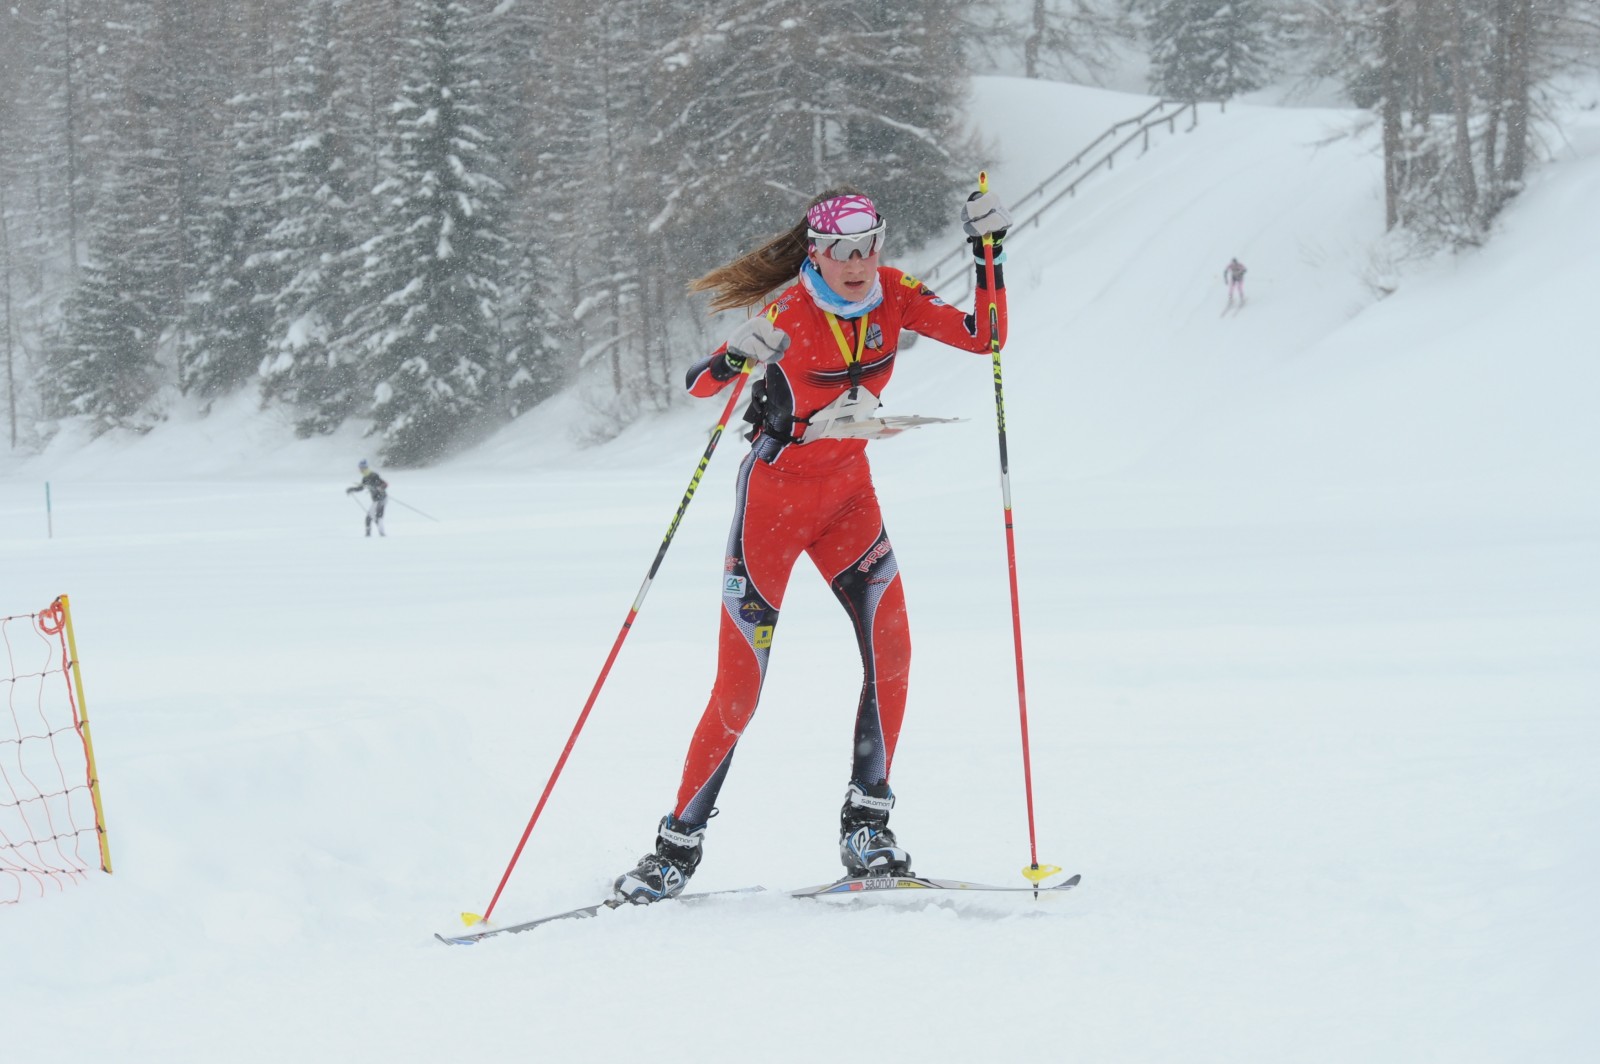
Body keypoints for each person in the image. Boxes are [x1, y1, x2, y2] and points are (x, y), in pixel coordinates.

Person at [612, 184, 1012, 904]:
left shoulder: (895, 295)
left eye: (867, 248)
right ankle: (675, 849)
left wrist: (988, 255)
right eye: (840, 251)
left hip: (850, 498)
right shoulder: (787, 313)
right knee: (740, 689)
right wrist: (736, 358)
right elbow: (699, 385)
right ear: (816, 253)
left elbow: (984, 336)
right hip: (773, 505)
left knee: (893, 652)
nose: (856, 264)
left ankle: (867, 827)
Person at [345, 459, 389, 537]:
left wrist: (378, 487)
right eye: (360, 468)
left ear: (365, 468)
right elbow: (360, 488)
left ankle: (373, 535)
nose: (360, 470)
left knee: (375, 517)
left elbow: (384, 484)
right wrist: (351, 489)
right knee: (374, 517)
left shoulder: (374, 475)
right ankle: (376, 534)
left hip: (381, 498)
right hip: (376, 499)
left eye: (361, 468)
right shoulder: (365, 478)